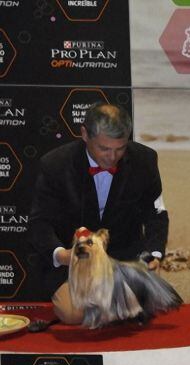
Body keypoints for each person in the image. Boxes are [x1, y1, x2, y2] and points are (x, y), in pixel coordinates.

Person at [29, 102, 169, 299]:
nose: (112, 157)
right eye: (104, 148)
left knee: (137, 306)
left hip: (124, 261)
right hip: (74, 264)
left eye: (120, 148)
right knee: (73, 314)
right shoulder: (55, 165)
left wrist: (154, 254)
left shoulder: (144, 160)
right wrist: (62, 255)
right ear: (85, 134)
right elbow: (40, 222)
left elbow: (156, 213)